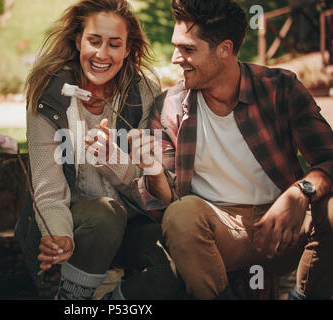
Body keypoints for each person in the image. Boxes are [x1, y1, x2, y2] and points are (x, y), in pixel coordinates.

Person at [131, 0, 333, 300]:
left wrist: (300, 192)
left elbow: (329, 159)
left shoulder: (280, 89)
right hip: (218, 234)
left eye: (187, 49)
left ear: (224, 49)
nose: (176, 58)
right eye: (176, 47)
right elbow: (167, 204)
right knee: (181, 214)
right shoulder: (169, 107)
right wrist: (152, 171)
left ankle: (303, 296)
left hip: (283, 228)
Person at [14, 0, 184, 300]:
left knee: (179, 258)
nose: (102, 54)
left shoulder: (142, 93)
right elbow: (47, 189)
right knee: (106, 215)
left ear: (127, 49)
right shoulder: (49, 94)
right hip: (73, 221)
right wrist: (59, 237)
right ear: (78, 40)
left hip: (130, 223)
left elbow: (149, 190)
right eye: (94, 41)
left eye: (114, 44)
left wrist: (114, 162)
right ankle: (70, 301)